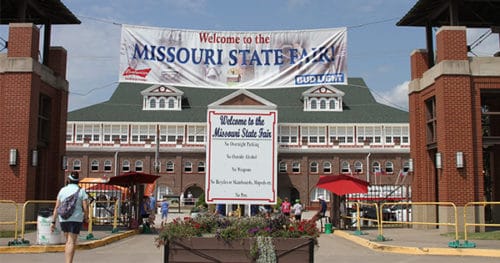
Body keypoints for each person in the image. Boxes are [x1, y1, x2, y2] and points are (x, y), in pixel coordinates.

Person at [51, 172, 89, 263]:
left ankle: (67, 260)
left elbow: (57, 207)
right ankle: (69, 262)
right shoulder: (81, 191)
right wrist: (86, 217)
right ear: (77, 181)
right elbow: (85, 207)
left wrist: (53, 221)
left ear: (69, 180)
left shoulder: (62, 190)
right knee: (71, 242)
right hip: (76, 218)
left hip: (63, 218)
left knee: (68, 240)